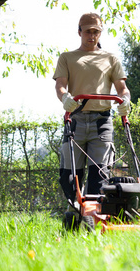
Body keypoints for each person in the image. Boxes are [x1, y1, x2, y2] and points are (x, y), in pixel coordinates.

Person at [53, 13, 131, 207]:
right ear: (79, 31)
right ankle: (77, 210)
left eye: (96, 32)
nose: (92, 36)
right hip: (76, 119)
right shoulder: (67, 58)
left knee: (100, 175)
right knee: (69, 176)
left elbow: (122, 89)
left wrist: (126, 100)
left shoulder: (110, 58)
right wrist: (65, 98)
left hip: (101, 122)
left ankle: (94, 216)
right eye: (88, 31)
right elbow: (60, 86)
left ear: (100, 33)